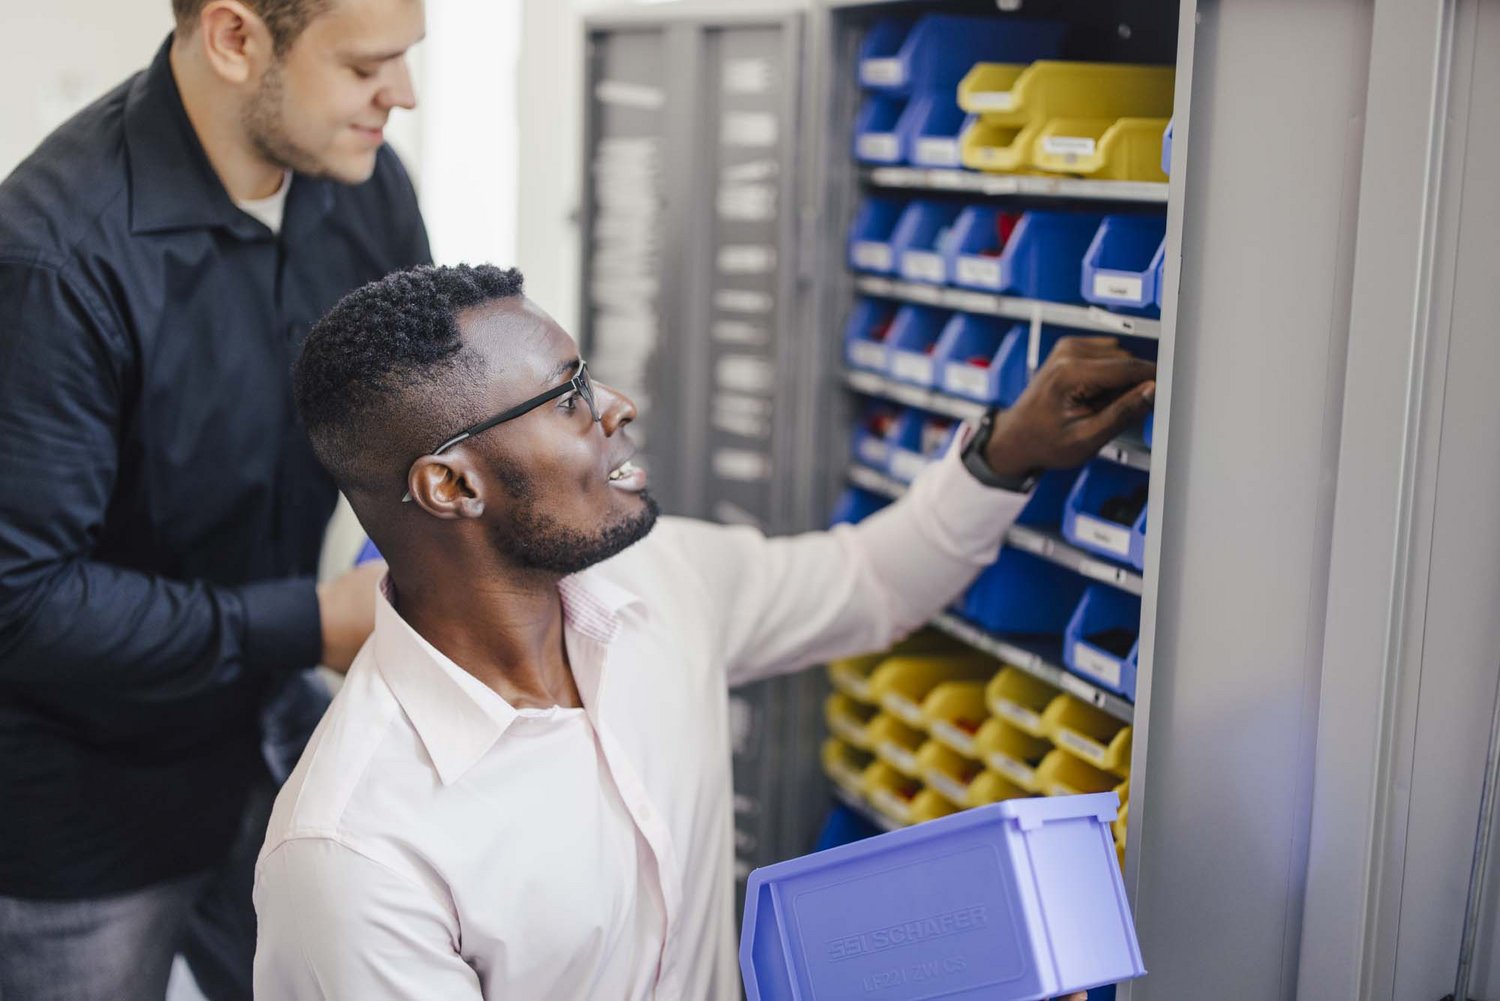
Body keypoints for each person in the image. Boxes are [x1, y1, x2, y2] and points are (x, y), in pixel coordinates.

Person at [252, 263, 1156, 999]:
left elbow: (867, 582)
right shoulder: (354, 856)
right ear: (453, 486)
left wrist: (1010, 450)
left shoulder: (655, 580)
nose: (616, 406)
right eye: (568, 398)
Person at [0, 0, 429, 998]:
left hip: (268, 742)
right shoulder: (56, 260)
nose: (400, 96)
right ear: (237, 40)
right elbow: (20, 600)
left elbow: (419, 407)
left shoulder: (362, 183)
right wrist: (311, 620)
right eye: (369, 66)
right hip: (85, 809)